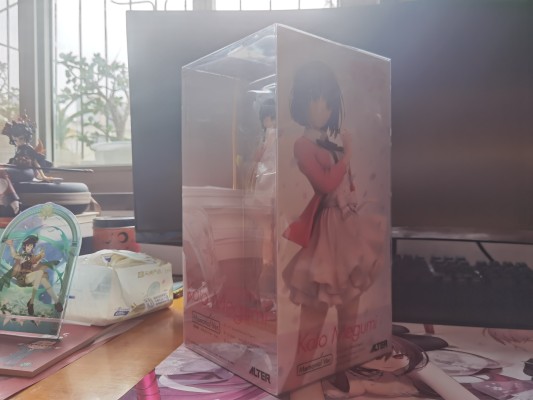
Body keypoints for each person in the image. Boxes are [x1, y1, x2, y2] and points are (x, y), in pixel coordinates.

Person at [282, 61, 386, 385]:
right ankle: (297, 376)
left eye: (327, 102)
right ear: (302, 101)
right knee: (318, 298)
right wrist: (348, 154)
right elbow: (326, 185)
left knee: (350, 304)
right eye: (315, 100)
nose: (322, 109)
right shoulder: (302, 145)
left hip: (348, 227)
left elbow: (345, 184)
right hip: (327, 232)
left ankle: (343, 369)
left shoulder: (329, 143)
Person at [6, 235, 63, 316]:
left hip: (32, 278)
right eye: (28, 245)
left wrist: (40, 257)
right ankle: (31, 302)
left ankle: (56, 301)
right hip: (22, 279)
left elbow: (35, 266)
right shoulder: (21, 256)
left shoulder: (32, 257)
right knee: (40, 273)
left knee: (44, 280)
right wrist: (11, 245)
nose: (29, 247)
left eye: (31, 246)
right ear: (24, 246)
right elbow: (14, 255)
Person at [1, 116, 55, 182]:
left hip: (27, 172)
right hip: (19, 170)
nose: (18, 142)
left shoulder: (28, 149)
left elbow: (36, 163)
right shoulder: (19, 149)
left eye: (21, 139)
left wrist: (43, 176)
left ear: (27, 137)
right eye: (15, 140)